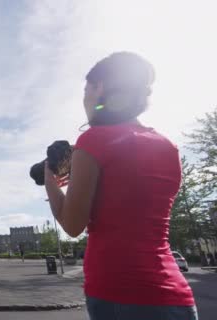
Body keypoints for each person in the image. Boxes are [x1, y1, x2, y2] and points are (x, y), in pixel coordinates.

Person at [44, 52, 197, 319]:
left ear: (99, 87)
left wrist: (49, 178)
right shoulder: (167, 146)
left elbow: (72, 224)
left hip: (118, 292)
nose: (85, 101)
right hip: (176, 297)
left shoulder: (93, 141)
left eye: (86, 92)